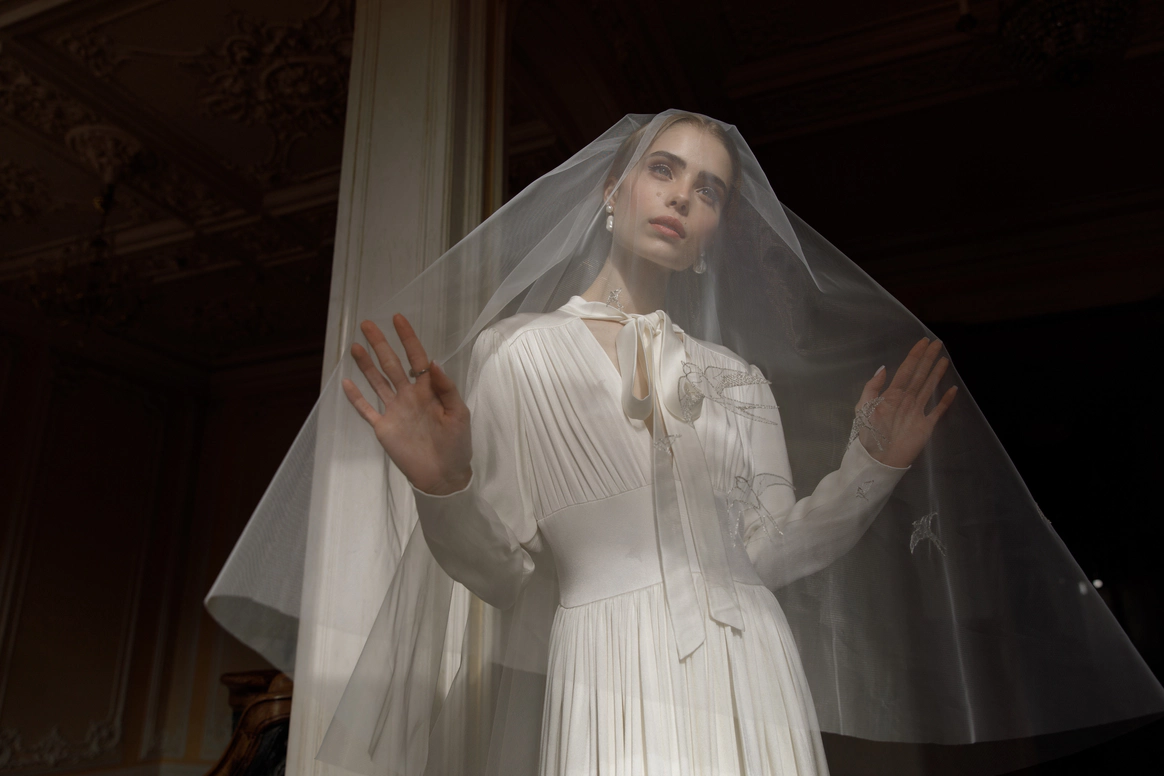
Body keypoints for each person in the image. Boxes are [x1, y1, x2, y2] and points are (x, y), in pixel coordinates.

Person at [206, 112, 1164, 776]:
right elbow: (500, 572)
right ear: (612, 191)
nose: (681, 197)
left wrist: (871, 469)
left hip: (756, 663)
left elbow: (771, 550)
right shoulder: (520, 353)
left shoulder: (739, 379)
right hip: (608, 662)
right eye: (663, 170)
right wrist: (446, 483)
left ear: (712, 233)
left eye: (708, 191)